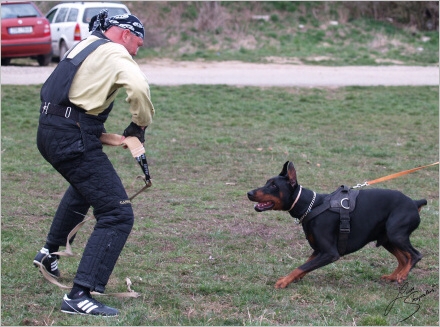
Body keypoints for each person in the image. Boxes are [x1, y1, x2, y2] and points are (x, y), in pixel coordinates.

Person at [33, 10, 155, 316]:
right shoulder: (115, 51)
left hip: (49, 129)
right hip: (71, 137)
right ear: (125, 34)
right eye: (137, 44)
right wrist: (139, 125)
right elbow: (139, 88)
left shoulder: (85, 45)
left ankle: (50, 252)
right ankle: (80, 295)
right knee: (117, 214)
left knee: (85, 187)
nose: (137, 51)